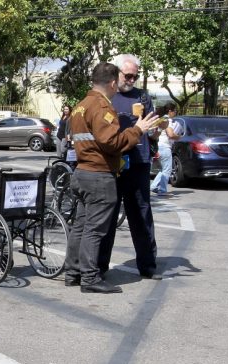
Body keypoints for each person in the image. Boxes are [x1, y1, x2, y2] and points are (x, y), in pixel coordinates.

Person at [65, 62, 160, 294]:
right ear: (112, 82)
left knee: (81, 225)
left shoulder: (80, 105)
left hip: (82, 171)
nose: (124, 84)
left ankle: (73, 272)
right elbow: (112, 143)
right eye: (123, 78)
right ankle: (89, 277)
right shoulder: (102, 107)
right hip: (99, 174)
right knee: (95, 229)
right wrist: (137, 130)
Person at [99, 53, 160, 280]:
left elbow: (151, 128)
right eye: (128, 75)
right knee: (107, 215)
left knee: (141, 214)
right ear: (117, 73)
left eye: (135, 76)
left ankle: (148, 265)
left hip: (138, 162)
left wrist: (153, 130)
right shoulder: (106, 97)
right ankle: (99, 267)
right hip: (112, 162)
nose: (132, 80)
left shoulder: (142, 97)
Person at [150, 102, 182, 196]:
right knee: (167, 169)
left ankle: (154, 186)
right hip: (165, 147)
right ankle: (162, 190)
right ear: (170, 111)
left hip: (158, 145)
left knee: (163, 169)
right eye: (175, 111)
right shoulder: (167, 120)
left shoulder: (160, 118)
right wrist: (179, 137)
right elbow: (171, 134)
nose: (175, 113)